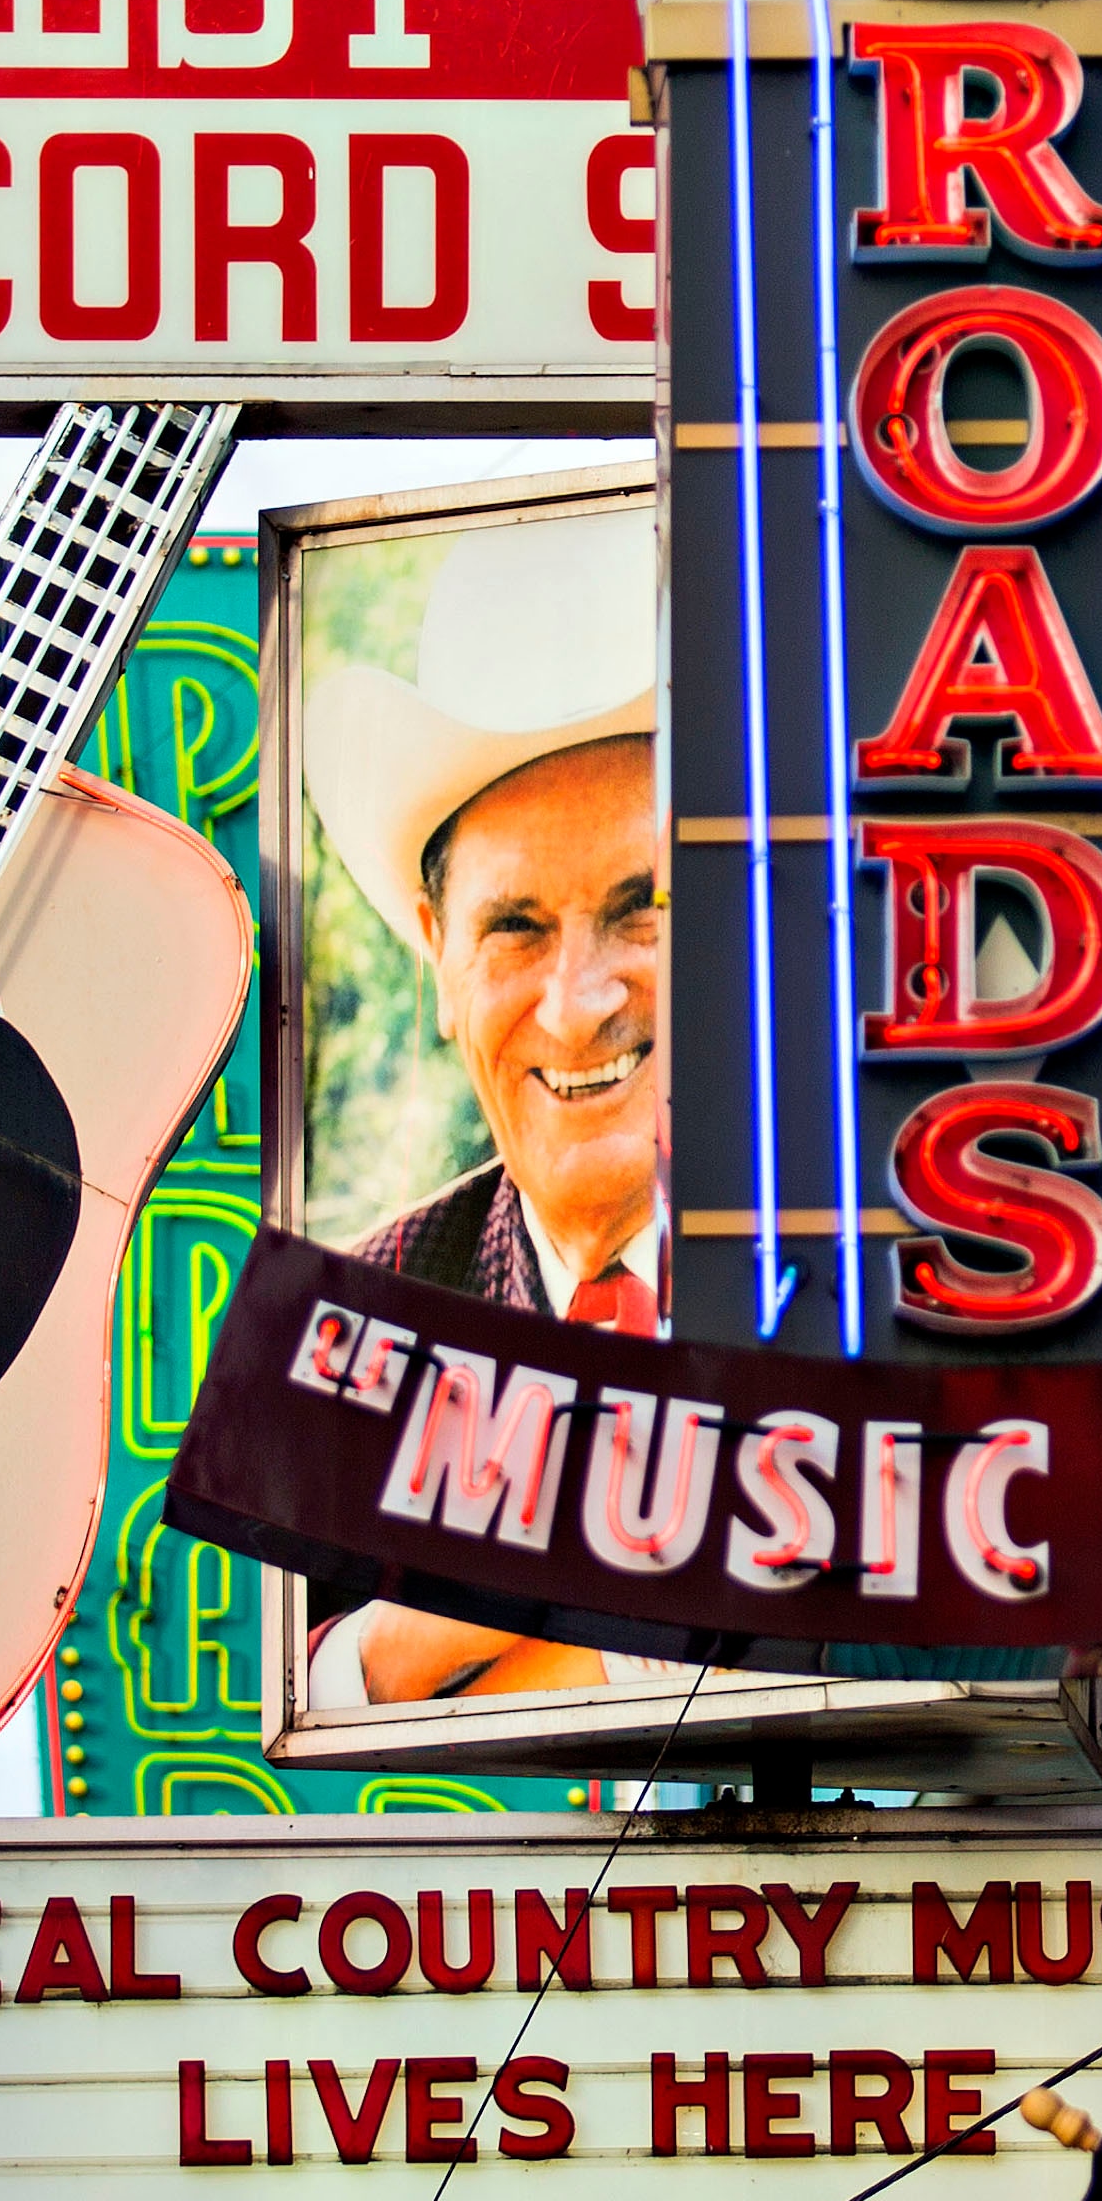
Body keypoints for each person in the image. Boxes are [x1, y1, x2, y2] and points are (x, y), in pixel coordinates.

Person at [302, 507, 665, 1704]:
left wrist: (573, 1663)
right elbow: (267, 1715)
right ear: (437, 958)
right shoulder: (353, 1334)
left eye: (643, 907)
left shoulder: (907, 1261)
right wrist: (378, 1655)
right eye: (514, 928)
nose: (577, 1004)